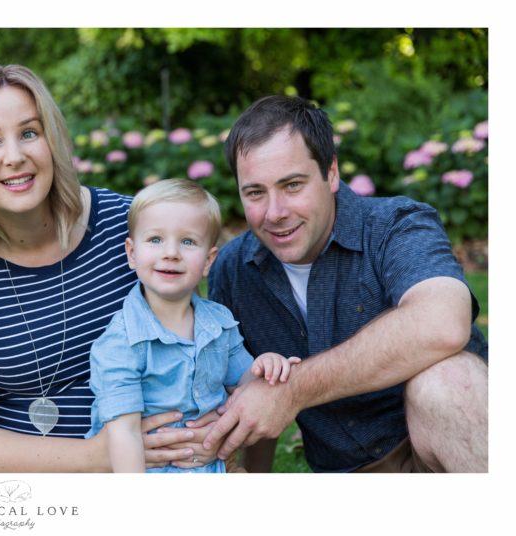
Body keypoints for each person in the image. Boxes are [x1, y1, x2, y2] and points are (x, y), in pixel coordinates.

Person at [0, 64, 212, 472]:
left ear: (52, 141)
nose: (15, 157)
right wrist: (98, 457)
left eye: (29, 133)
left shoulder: (129, 230)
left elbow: (196, 347)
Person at [204, 95, 489, 472]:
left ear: (331, 172)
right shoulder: (233, 269)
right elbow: (246, 393)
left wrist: (292, 390)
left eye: (292, 185)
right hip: (342, 475)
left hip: (448, 454)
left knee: (452, 381)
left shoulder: (396, 226)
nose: (274, 213)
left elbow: (442, 322)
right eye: (255, 192)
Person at [85, 179, 299, 473]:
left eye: (187, 242)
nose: (171, 252)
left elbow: (244, 383)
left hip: (212, 467)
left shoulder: (219, 322)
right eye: (156, 239)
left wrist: (264, 366)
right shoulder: (121, 343)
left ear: (209, 261)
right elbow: (124, 434)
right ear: (132, 254)